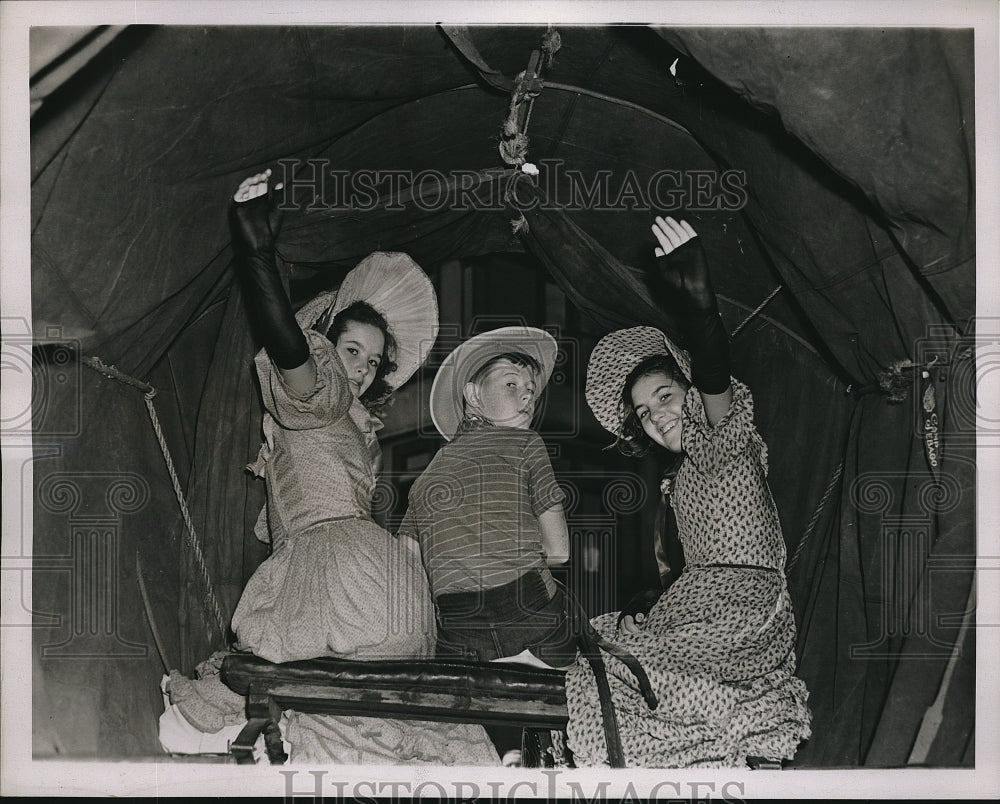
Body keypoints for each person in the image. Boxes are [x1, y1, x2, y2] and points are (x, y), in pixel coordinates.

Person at [159, 169, 499, 766]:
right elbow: (287, 342)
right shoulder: (314, 392)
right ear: (324, 344)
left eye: (373, 361)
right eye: (351, 352)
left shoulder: (348, 422)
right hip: (370, 591)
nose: (363, 370)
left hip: (354, 585)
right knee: (367, 719)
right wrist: (256, 254)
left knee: (320, 712)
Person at [563, 216, 811, 768]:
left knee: (610, 666)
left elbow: (715, 380)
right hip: (699, 608)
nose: (658, 416)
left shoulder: (724, 440)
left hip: (741, 612)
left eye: (666, 395)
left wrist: (703, 315)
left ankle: (721, 744)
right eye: (646, 413)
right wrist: (653, 605)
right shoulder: (679, 482)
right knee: (606, 668)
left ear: (689, 389)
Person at [397, 327, 578, 673]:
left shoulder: (423, 480)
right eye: (511, 384)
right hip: (532, 618)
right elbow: (559, 551)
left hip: (459, 635)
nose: (527, 397)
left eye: (531, 391)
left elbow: (407, 567)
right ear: (473, 395)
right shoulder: (527, 445)